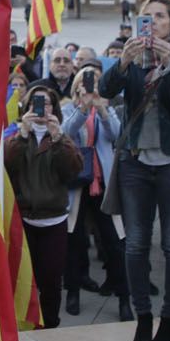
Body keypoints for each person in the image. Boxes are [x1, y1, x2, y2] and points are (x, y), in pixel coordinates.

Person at [99, 0, 170, 341]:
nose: (154, 22)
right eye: (147, 17)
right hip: (135, 164)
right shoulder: (131, 56)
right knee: (136, 243)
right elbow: (104, 91)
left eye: (160, 16)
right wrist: (123, 63)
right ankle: (143, 316)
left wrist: (169, 63)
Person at [4, 80, 82, 330]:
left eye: (46, 103)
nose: (41, 108)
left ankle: (50, 323)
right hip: (25, 219)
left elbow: (72, 170)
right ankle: (24, 323)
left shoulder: (60, 136)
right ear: (27, 107)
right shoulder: (17, 136)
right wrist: (23, 134)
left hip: (54, 220)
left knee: (50, 279)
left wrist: (57, 136)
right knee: (24, 278)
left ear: (54, 108)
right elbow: (7, 166)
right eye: (36, 103)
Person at [61, 59, 129, 322]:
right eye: (85, 85)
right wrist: (83, 108)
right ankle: (73, 292)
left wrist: (101, 109)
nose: (90, 90)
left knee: (114, 240)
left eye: (95, 85)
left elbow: (117, 135)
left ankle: (124, 295)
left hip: (104, 184)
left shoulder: (106, 108)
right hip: (77, 184)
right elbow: (67, 133)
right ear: (77, 88)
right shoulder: (69, 110)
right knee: (75, 242)